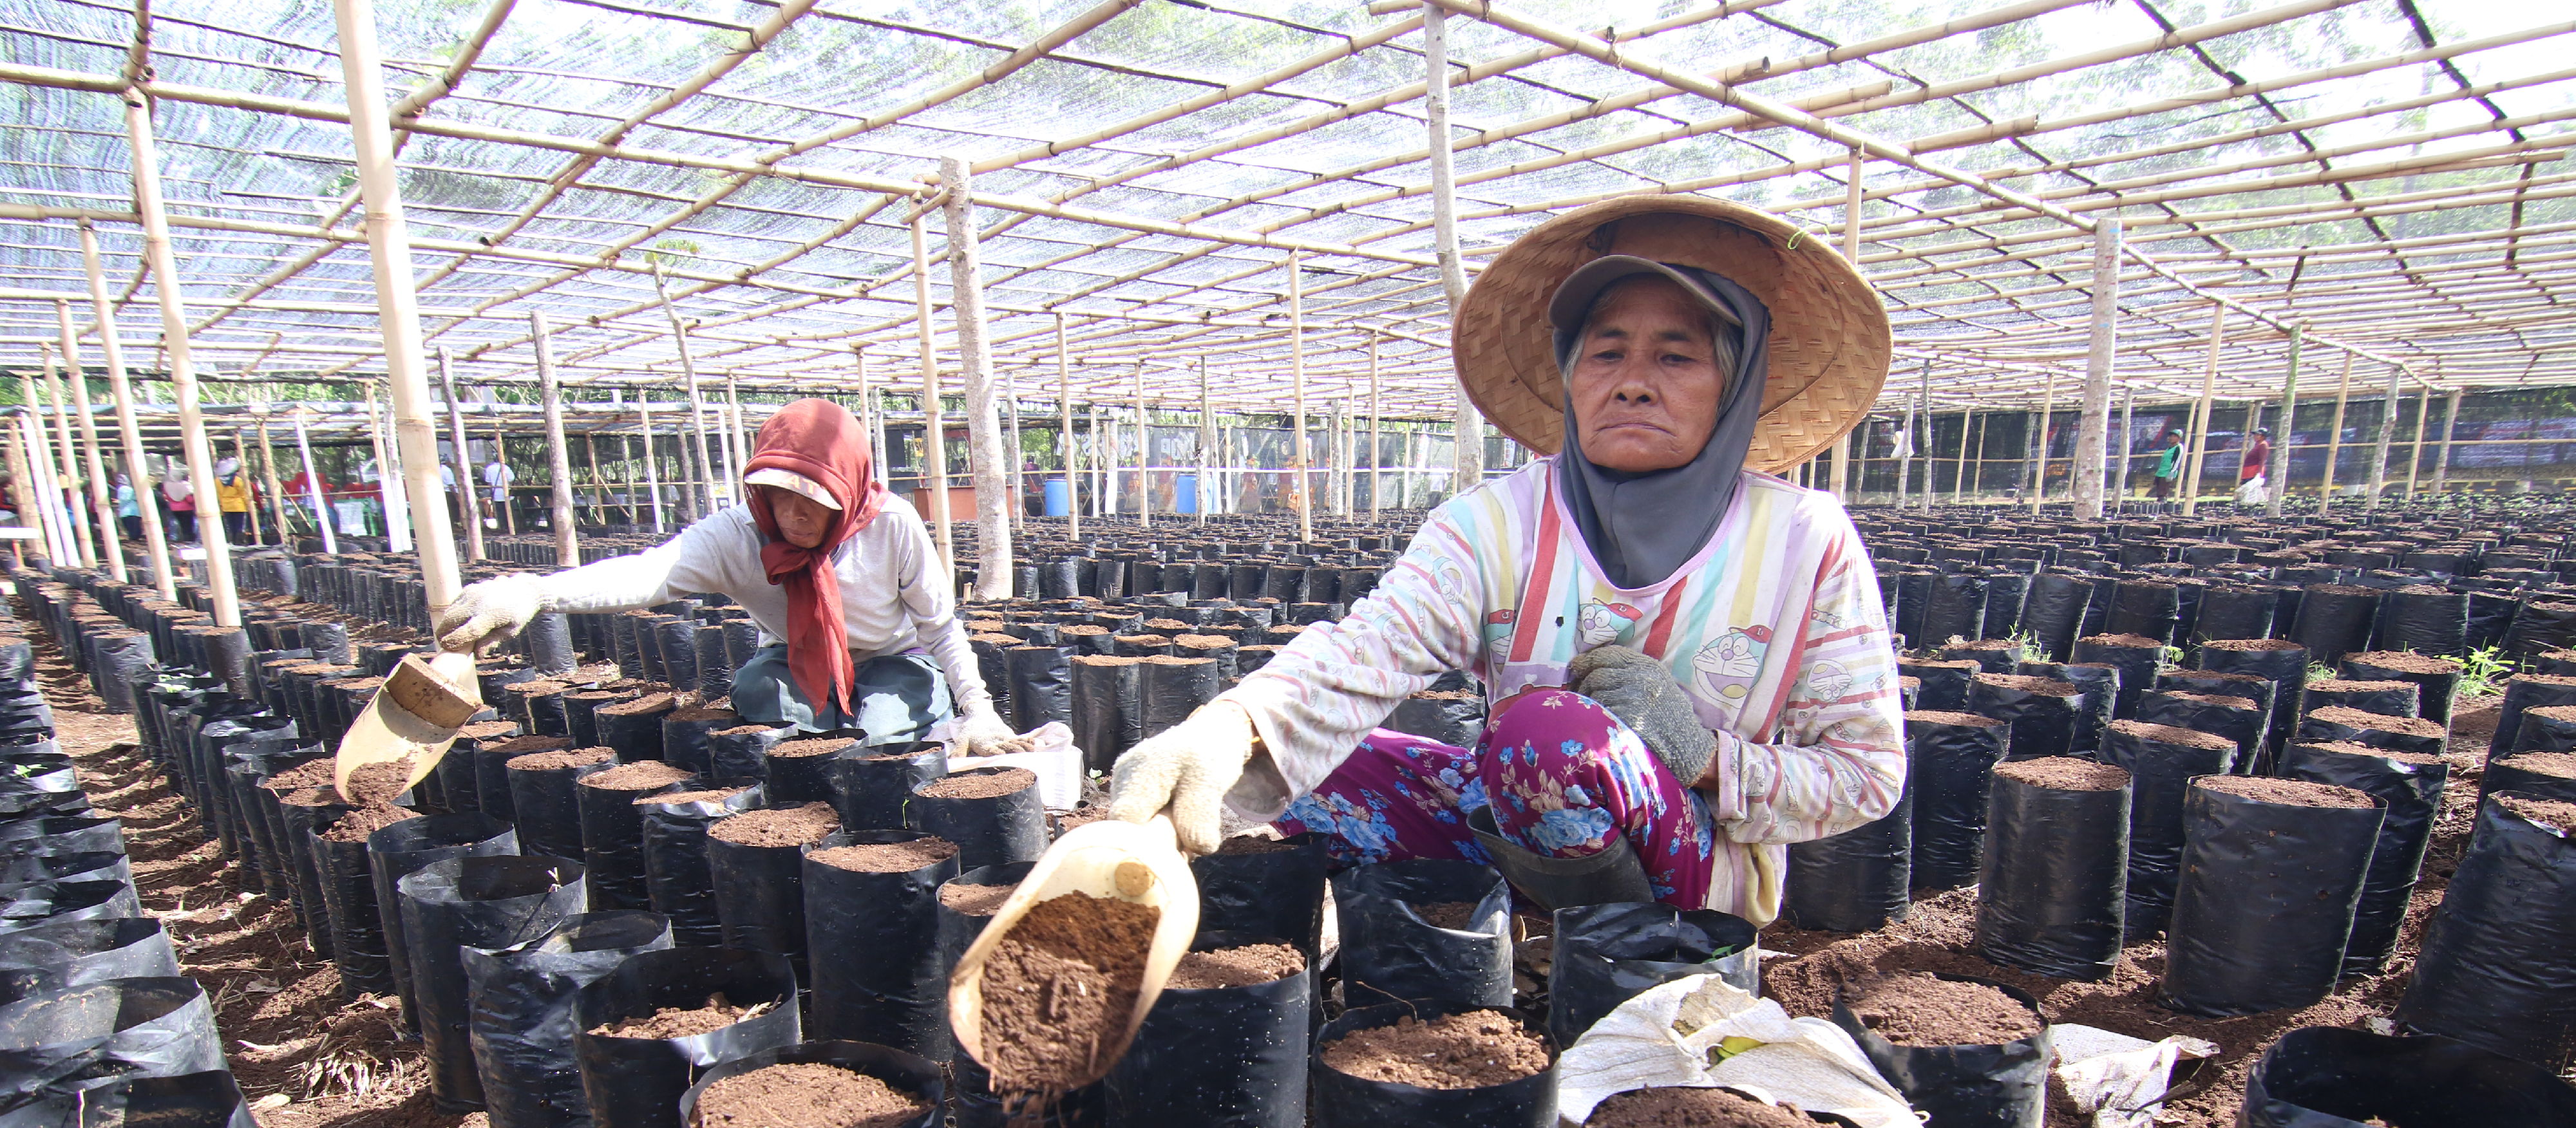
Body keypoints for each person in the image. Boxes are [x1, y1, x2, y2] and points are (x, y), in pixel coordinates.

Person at [1108, 193, 1903, 925]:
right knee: (1319, 766)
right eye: (1606, 353)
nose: (1632, 384)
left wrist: (1701, 759)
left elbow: (1867, 773)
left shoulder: (1803, 540)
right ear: (1570, 374)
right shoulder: (1496, 522)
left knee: (1548, 734)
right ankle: (1483, 925)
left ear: (1734, 382)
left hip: (1692, 873)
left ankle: (1605, 954)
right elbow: (1371, 646)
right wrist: (1235, 726)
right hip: (1518, 822)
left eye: (1675, 357)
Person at [433, 399, 1023, 753]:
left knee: (884, 731)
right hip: (795, 659)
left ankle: (881, 720)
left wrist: (979, 708)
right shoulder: (738, 534)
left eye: (814, 498)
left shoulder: (892, 524)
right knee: (765, 698)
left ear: (848, 491)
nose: (793, 514)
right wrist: (536, 591)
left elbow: (940, 625)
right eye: (778, 493)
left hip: (894, 656)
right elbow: (650, 572)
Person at [213, 456, 253, 544]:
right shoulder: (238, 480)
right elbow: (243, 494)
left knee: (230, 526)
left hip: (226, 506)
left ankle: (231, 541)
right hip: (239, 506)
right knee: (240, 526)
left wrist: (221, 506)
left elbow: (219, 495)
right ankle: (239, 543)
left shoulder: (217, 481)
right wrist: (247, 505)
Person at [2235, 425, 2271, 507]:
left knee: (2251, 490)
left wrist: (2259, 473)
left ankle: (2251, 504)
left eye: (2258, 435)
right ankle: (2249, 504)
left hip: (2254, 471)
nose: (2255, 436)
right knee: (2249, 489)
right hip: (2249, 471)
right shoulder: (2258, 445)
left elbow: (2262, 460)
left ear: (2263, 436)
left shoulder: (2263, 445)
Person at [2148, 426, 2185, 501]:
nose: (2171, 438)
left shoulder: (2178, 447)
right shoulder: (2169, 448)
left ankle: (2163, 501)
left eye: (2174, 436)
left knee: (2163, 489)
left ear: (2179, 438)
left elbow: (2177, 460)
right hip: (2162, 470)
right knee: (2158, 486)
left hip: (2168, 471)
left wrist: (2172, 472)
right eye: (2171, 436)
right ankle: (2160, 500)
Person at [162, 470, 196, 544]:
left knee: (180, 524)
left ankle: (181, 538)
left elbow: (167, 497)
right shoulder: (184, 485)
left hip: (174, 508)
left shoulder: (167, 485)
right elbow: (190, 499)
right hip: (187, 508)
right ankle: (189, 540)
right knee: (188, 525)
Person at [113, 473, 142, 543]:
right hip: (134, 511)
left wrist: (119, 503)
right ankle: (135, 539)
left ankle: (133, 539)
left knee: (131, 527)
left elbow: (124, 499)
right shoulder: (130, 489)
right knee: (135, 527)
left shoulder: (123, 489)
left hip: (127, 511)